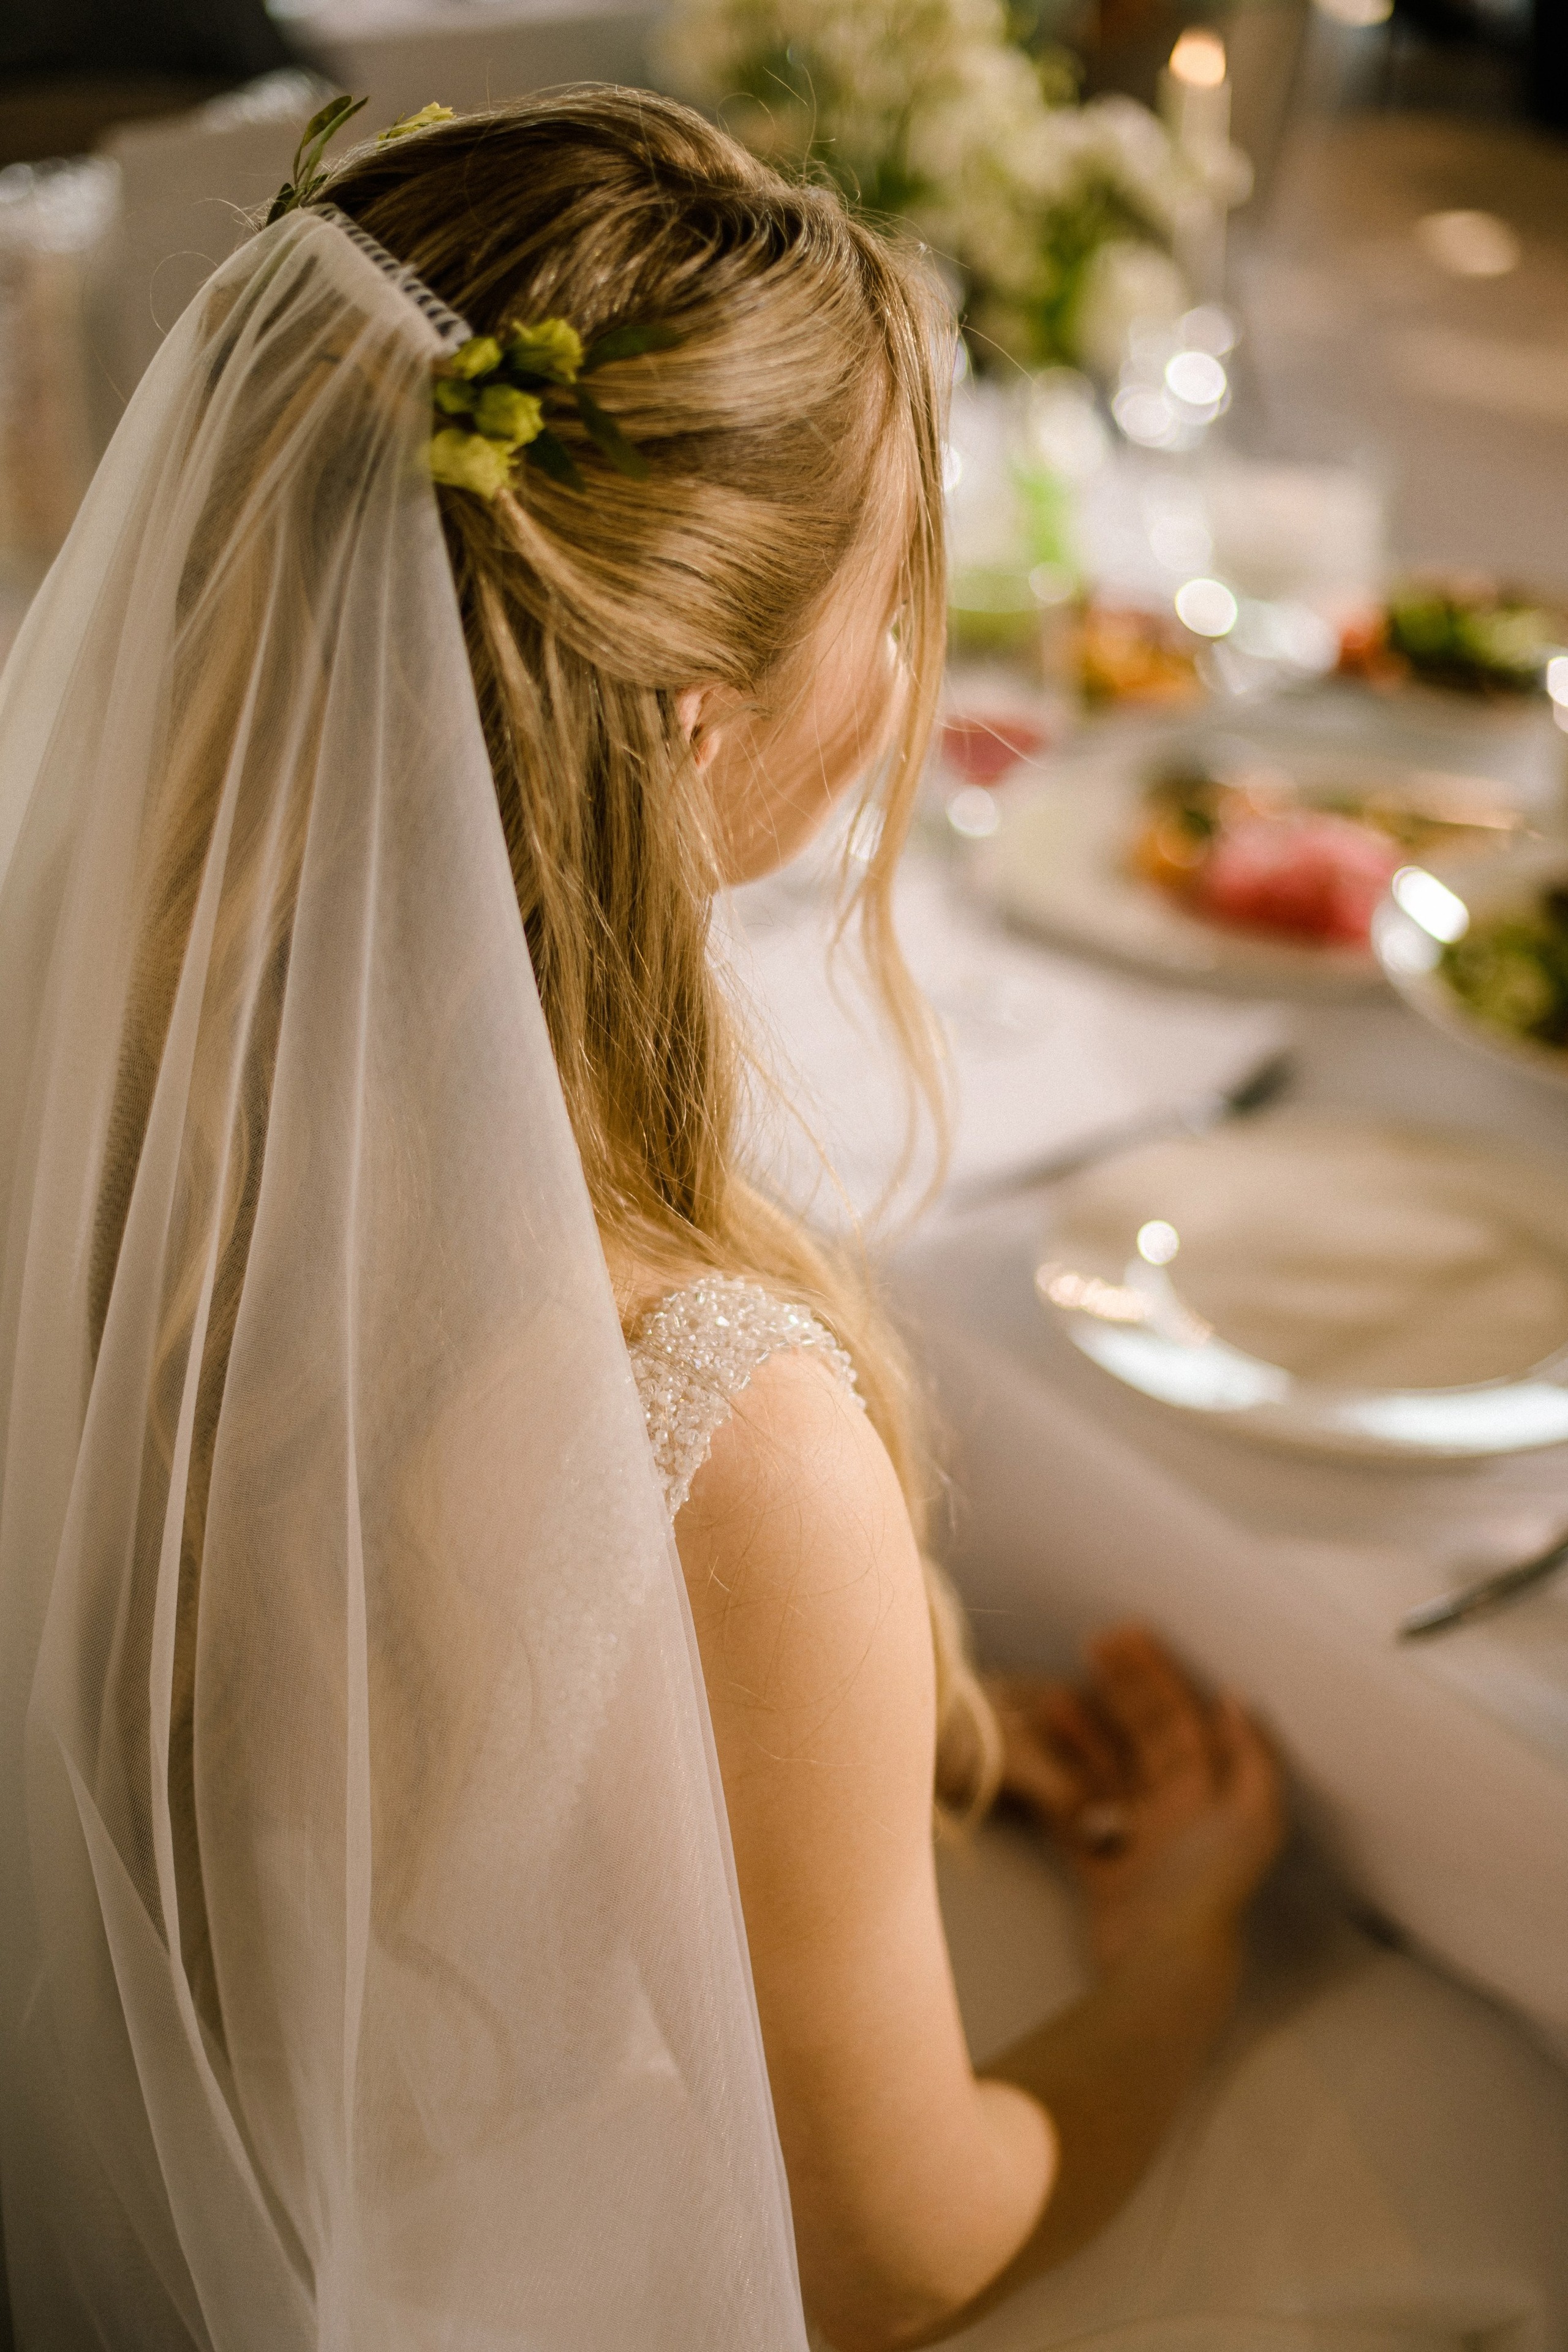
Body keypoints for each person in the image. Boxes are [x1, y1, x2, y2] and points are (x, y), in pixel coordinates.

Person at [0, 88, 1562, 2352]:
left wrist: (845, 1726)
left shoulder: (95, 1100)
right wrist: (1187, 1955)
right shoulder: (719, 1422)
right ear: (704, 732)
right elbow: (886, 2254)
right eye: (892, 584)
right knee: (1481, 2099)